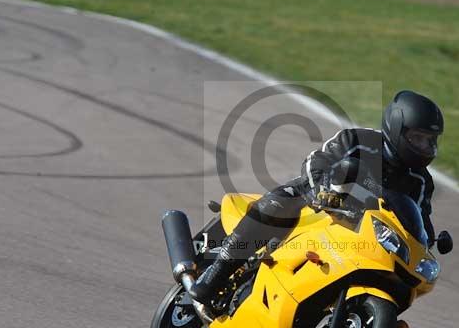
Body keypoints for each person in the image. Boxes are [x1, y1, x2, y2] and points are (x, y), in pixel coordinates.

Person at [188, 90, 443, 304]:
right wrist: (324, 188)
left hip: (362, 232)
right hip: (319, 200)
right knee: (279, 203)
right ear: (398, 128)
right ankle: (217, 274)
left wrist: (427, 242)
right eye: (417, 138)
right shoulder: (359, 140)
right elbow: (316, 162)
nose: (425, 147)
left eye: (430, 141)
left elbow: (420, 218)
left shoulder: (421, 181)